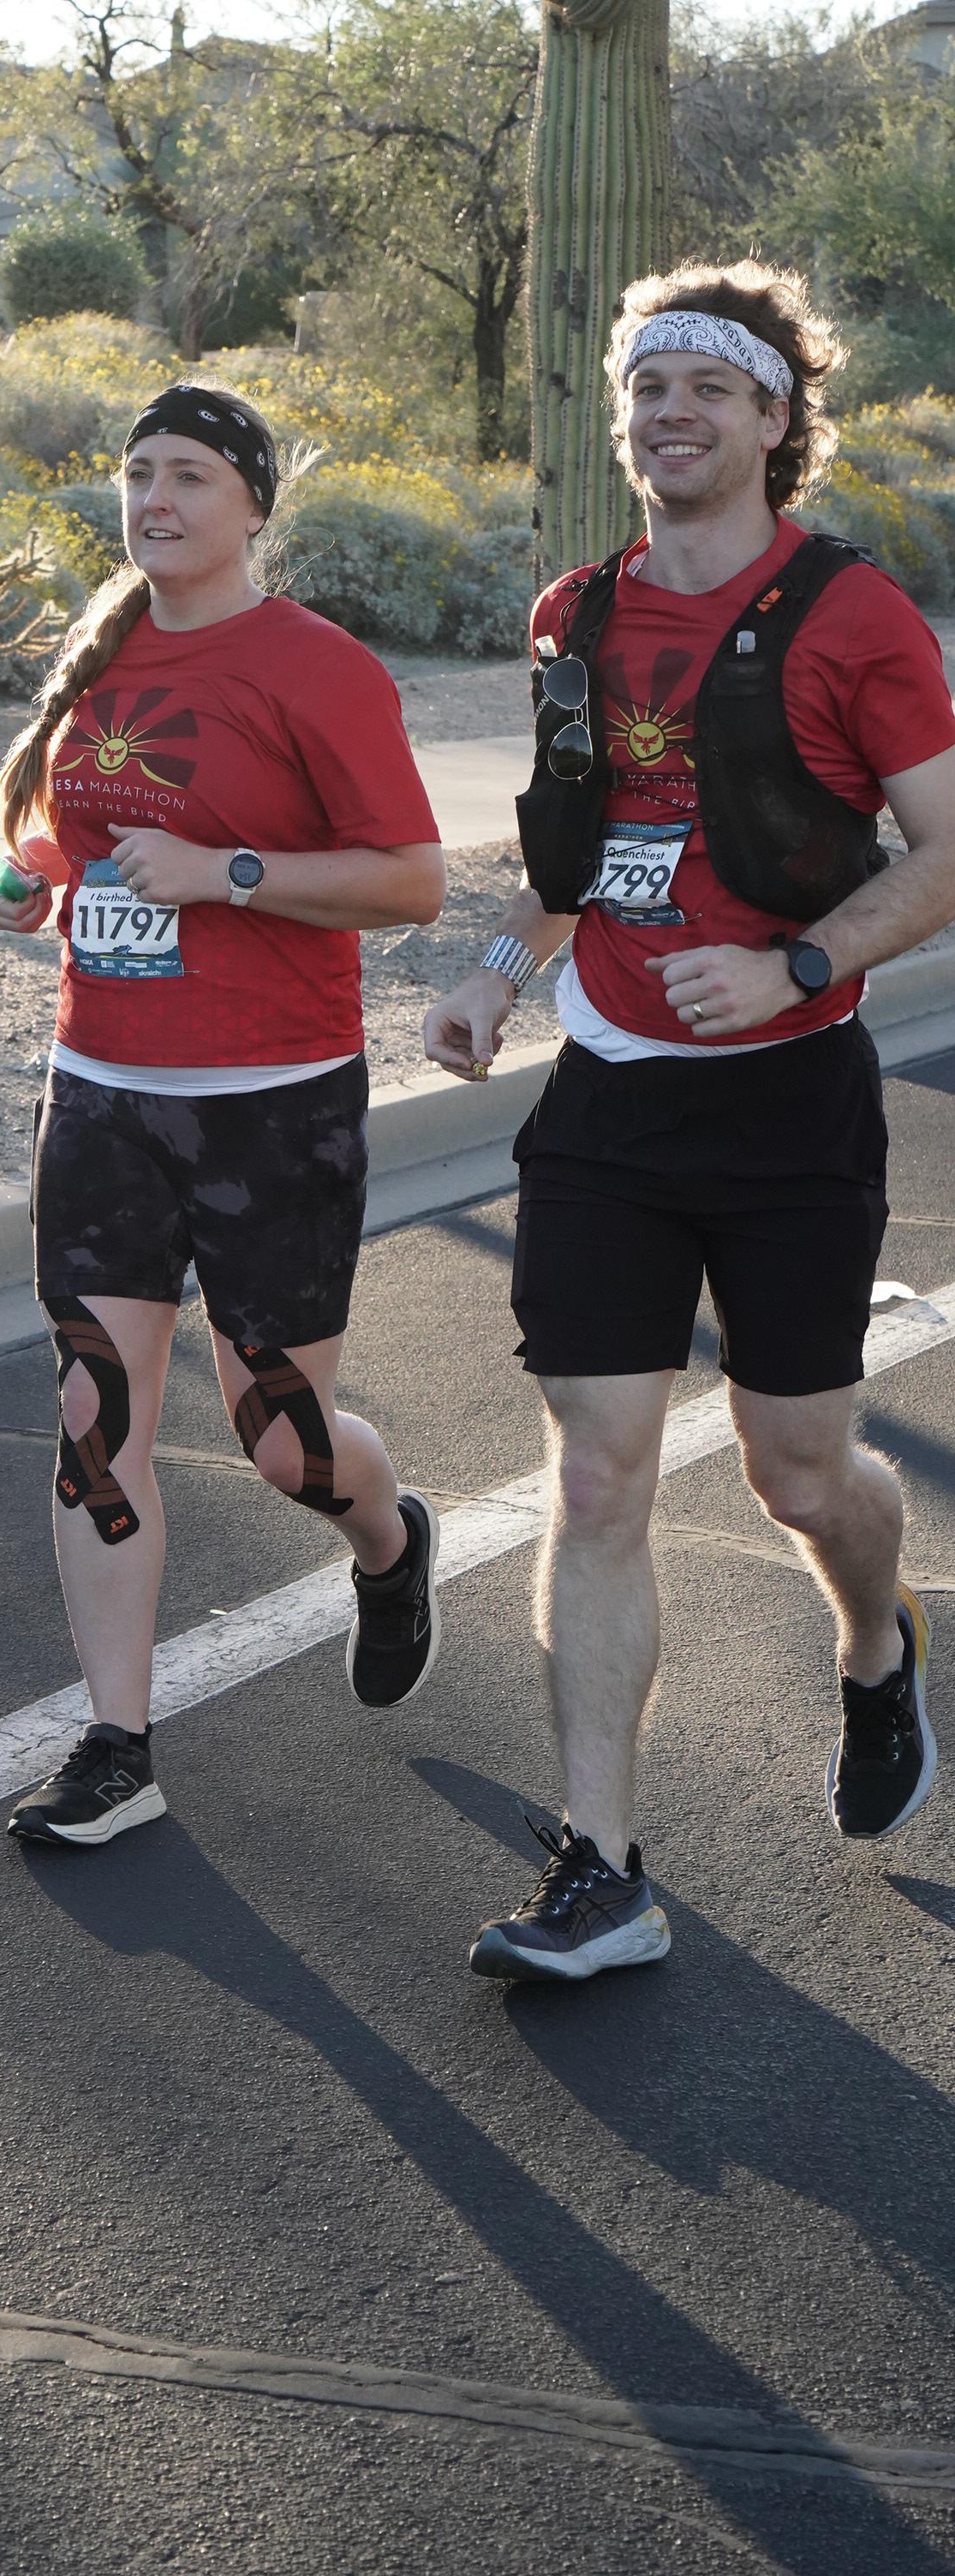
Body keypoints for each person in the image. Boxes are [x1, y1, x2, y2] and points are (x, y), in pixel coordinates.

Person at [425, 260, 955, 1983]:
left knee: (800, 1472)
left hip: (791, 1105)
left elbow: (947, 849)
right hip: (608, 1104)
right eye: (645, 387)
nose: (669, 413)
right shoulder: (574, 613)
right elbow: (575, 849)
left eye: (708, 387)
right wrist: (498, 967)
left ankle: (877, 1645)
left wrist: (798, 958)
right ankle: (602, 1867)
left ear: (775, 419)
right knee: (597, 1473)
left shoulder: (854, 616)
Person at [0, 380, 447, 1846]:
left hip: (271, 1107)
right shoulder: (104, 647)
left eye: (189, 474)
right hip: (102, 1096)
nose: (156, 500)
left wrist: (229, 874)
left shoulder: (318, 667)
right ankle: (116, 1745)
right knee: (92, 1415)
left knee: (284, 1445)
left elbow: (412, 881)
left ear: (252, 505)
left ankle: (388, 1540)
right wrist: (33, 880)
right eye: (138, 474)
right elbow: (79, 831)